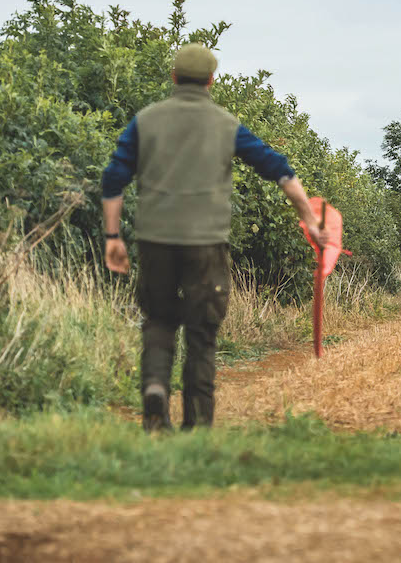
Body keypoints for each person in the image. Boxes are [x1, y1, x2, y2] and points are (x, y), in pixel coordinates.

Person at [100, 43, 327, 432]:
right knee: (201, 331)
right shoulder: (226, 124)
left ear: (173, 78)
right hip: (206, 243)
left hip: (155, 239)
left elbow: (114, 179)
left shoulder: (146, 120)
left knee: (158, 320)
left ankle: (155, 389)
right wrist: (310, 222)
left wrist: (112, 237)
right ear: (211, 80)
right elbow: (280, 171)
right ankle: (197, 424)